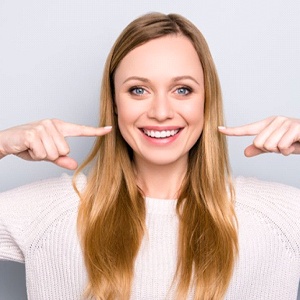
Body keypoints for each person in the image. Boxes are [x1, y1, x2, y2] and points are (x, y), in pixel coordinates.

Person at [0, 12, 299, 300]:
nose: (160, 112)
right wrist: (2, 144)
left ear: (207, 101)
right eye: (138, 90)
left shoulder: (280, 217)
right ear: (115, 102)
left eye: (182, 90)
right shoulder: (50, 213)